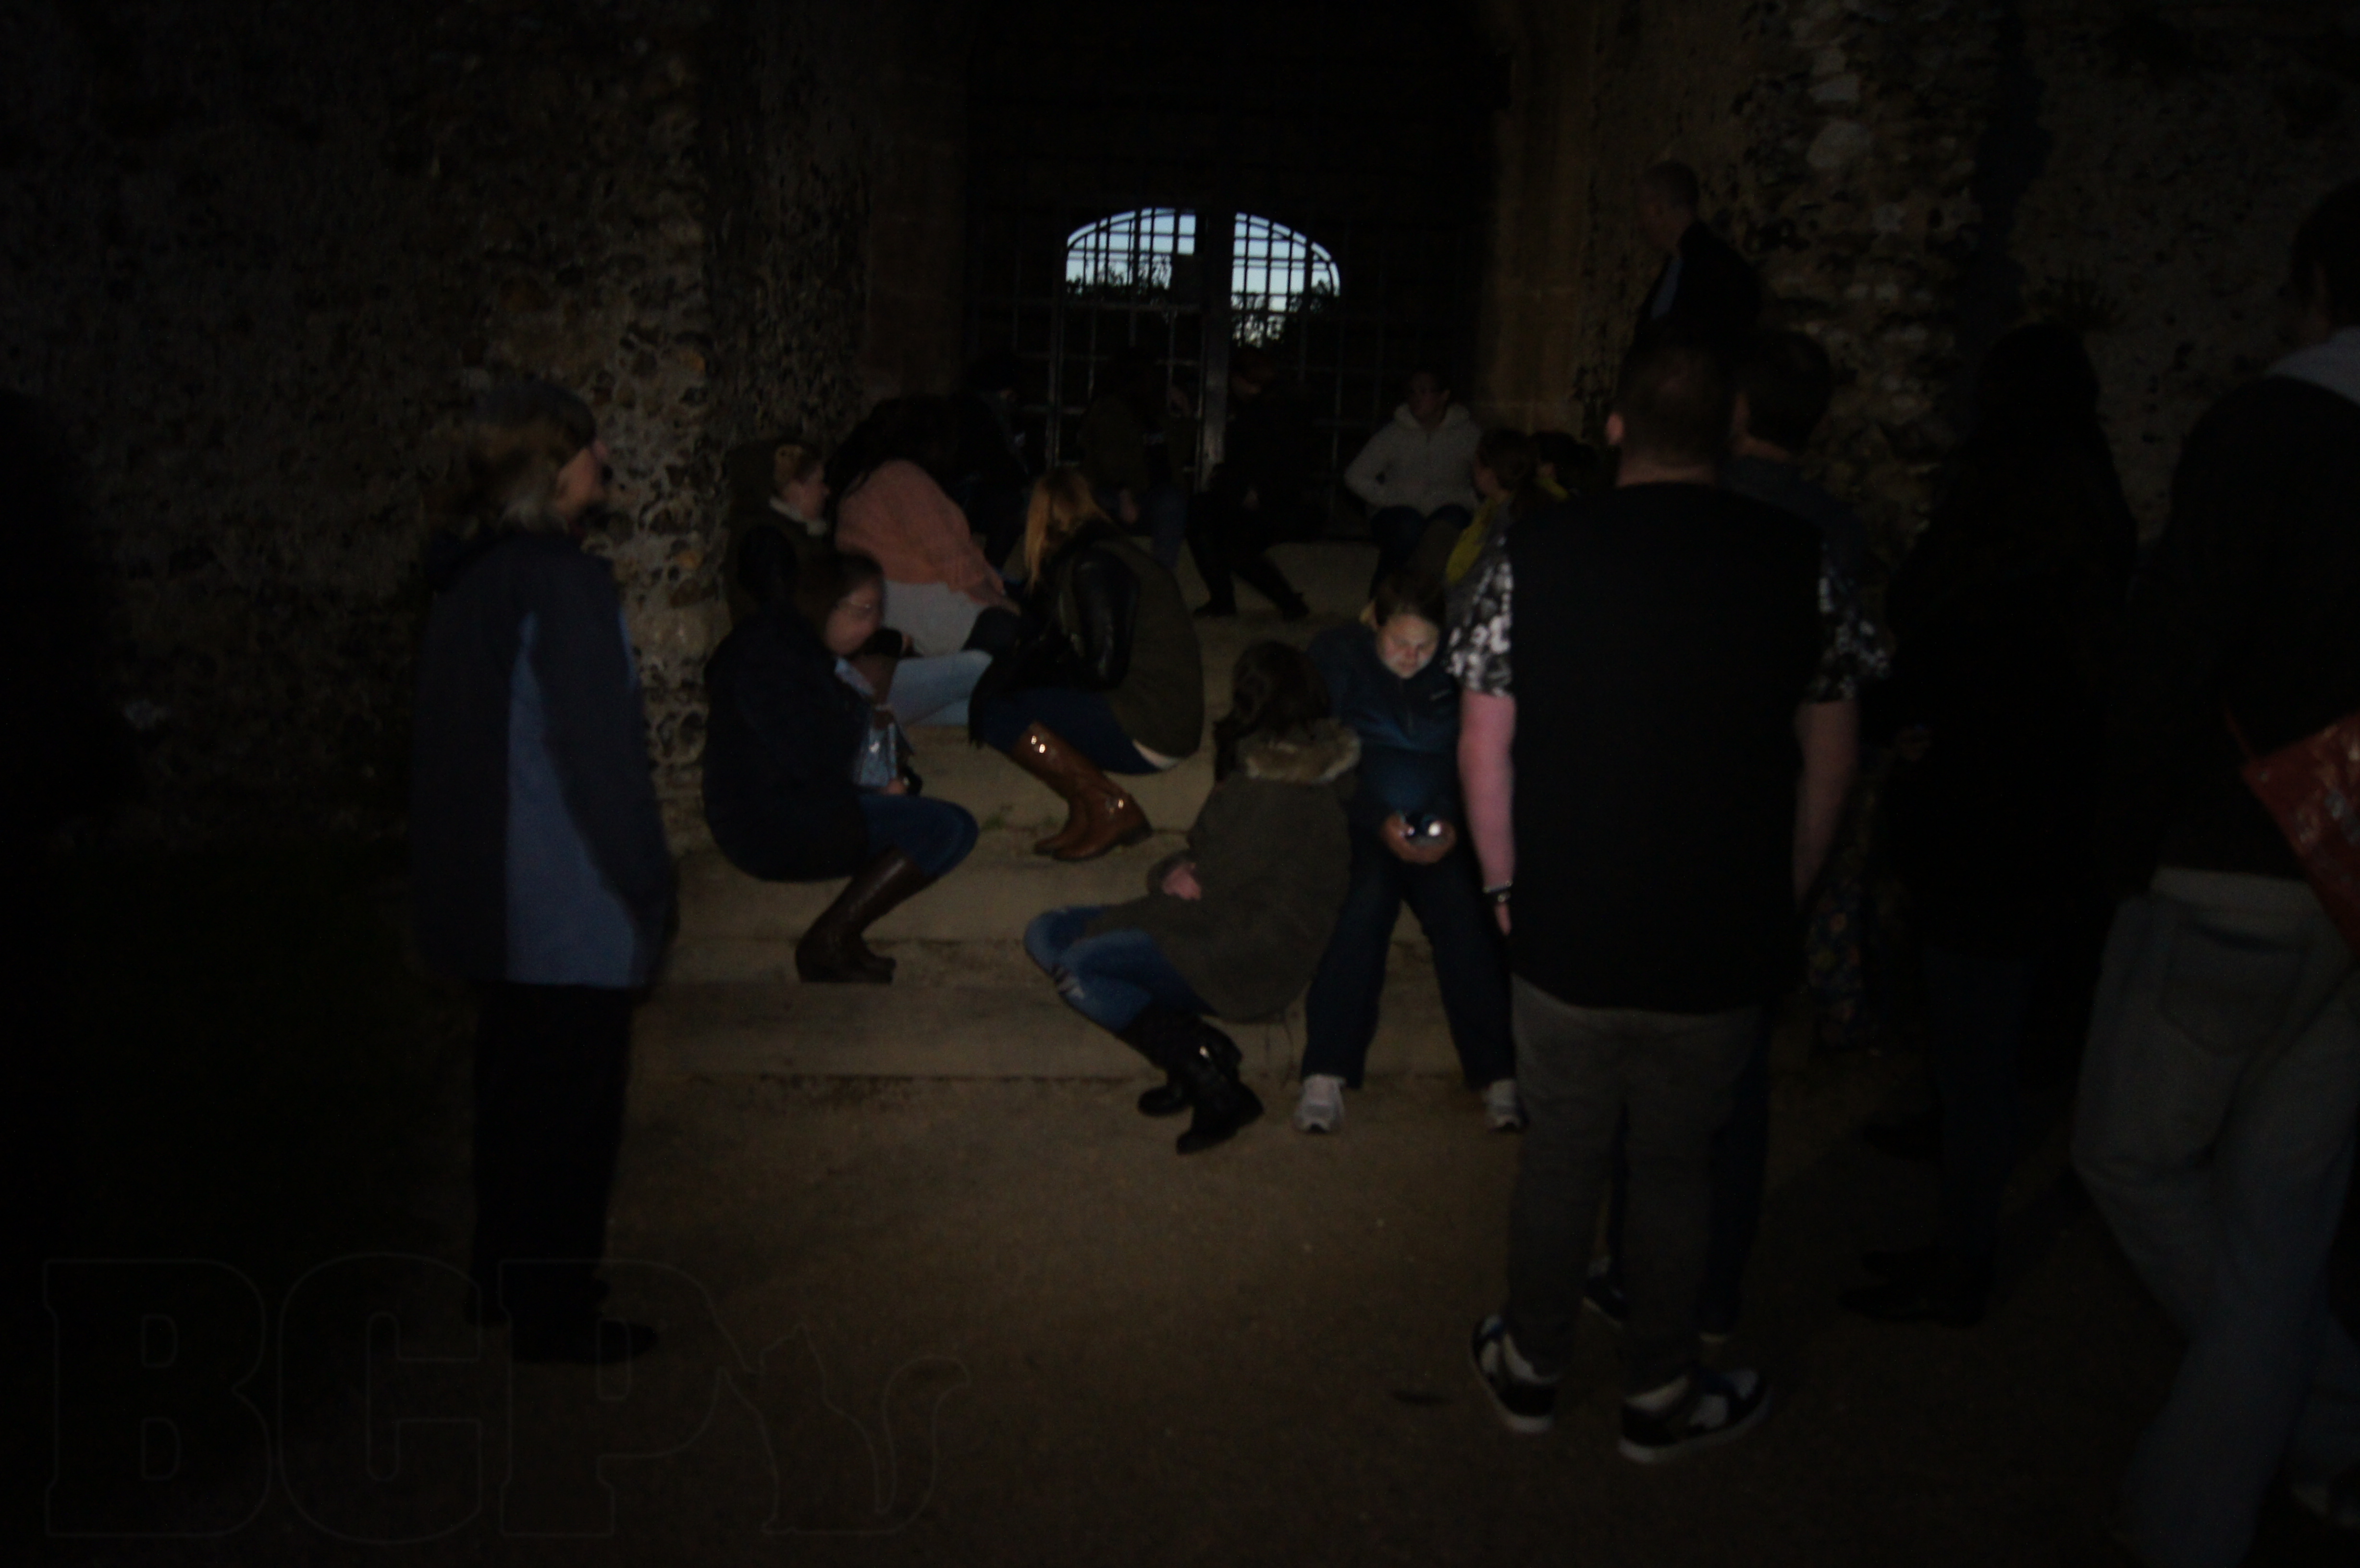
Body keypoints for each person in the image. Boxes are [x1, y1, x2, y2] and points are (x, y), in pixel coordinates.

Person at [1455, 331, 1853, 1460]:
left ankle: (1531, 1367)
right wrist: (1780, 893)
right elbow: (1829, 758)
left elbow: (1484, 744)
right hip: (1715, 924)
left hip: (1569, 911)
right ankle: (1657, 1392)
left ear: (1615, 426)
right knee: (1678, 1167)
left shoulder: (1534, 548)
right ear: (1730, 428)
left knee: (1559, 1153)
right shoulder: (1801, 558)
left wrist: (1502, 882)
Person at [2072, 180, 2360, 1567]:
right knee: (2280, 1218)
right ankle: (2232, 1487)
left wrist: (2115, 853)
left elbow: (2175, 649)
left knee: (2128, 1155)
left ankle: (2320, 1418)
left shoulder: (2269, 428)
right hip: (2353, 889)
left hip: (2234, 863)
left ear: (2314, 285)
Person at [1581, 330, 1886, 1347]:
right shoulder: (1831, 530)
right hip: (1753, 836)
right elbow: (1834, 732)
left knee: (1638, 1080)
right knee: (1729, 1086)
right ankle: (1707, 1295)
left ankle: (1638, 1275)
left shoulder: (1696, 521)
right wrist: (1793, 876)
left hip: (1655, 828)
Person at [1839, 323, 2132, 1328]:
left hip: (1981, 817)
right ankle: (1958, 1159)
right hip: (2042, 813)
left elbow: (1933, 635)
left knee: (1978, 1040)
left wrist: (1900, 718)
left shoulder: (1996, 537)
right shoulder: (2091, 520)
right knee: (1983, 1028)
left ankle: (1962, 1253)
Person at [409, 381, 672, 1365]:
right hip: (565, 898)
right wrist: (646, 884)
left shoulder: (474, 576)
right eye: (588, 445)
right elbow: (597, 758)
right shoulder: (559, 583)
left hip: (498, 895)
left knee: (513, 1099)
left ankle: (504, 1272)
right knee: (568, 1116)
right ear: (549, 467)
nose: (604, 458)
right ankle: (552, 1308)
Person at [1025, 642, 1355, 1154]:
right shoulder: (1268, 763)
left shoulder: (1283, 782)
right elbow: (1205, 862)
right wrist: (1173, 871)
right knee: (1047, 933)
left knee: (1081, 965)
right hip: (1214, 921)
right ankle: (1199, 1053)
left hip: (1247, 950)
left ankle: (1217, 1088)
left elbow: (1209, 879)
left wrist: (1163, 875)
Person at [1297, 572, 1517, 1133]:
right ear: (1375, 622)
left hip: (1440, 825)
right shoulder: (1339, 658)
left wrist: (1449, 821)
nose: (1412, 657)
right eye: (1399, 642)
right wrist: (1377, 818)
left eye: (1425, 645)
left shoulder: (1457, 668)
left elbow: (1476, 753)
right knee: (1362, 906)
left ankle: (1499, 1074)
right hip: (1363, 822)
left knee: (1463, 915)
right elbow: (1320, 754)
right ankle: (1325, 1071)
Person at [702, 540, 978, 983]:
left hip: (806, 805)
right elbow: (810, 754)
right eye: (863, 611)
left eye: (877, 613)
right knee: (942, 828)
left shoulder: (802, 650)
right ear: (825, 602)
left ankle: (838, 939)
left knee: (953, 826)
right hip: (769, 821)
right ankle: (827, 940)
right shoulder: (770, 653)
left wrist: (888, 775)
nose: (871, 626)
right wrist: (871, 769)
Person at [970, 468, 1204, 861]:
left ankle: (1109, 805)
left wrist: (1024, 676)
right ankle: (1085, 810)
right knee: (1009, 695)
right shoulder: (1090, 556)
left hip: (1151, 723)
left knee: (999, 710)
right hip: (1147, 712)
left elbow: (1101, 670)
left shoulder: (1097, 565)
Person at [835, 398, 1020, 658]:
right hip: (924, 614)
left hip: (896, 609)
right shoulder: (903, 479)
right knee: (1017, 627)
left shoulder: (866, 483)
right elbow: (953, 561)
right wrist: (1003, 603)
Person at [1186, 346, 1311, 619]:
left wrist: (1253, 491)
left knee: (1228, 540)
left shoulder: (1267, 412)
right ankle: (1237, 600)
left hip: (1275, 504)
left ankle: (1276, 602)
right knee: (1205, 518)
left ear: (1241, 379)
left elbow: (1276, 465)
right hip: (1265, 500)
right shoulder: (1270, 409)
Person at [1343, 366, 1482, 593]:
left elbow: (1486, 473)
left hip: (1447, 507)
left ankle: (1424, 598)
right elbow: (1356, 475)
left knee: (1449, 525)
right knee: (1408, 527)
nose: (1416, 398)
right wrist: (1387, 498)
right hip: (1399, 511)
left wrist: (1470, 500)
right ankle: (1382, 598)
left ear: (1443, 396)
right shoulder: (1394, 434)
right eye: (1411, 392)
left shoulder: (1467, 434)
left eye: (1424, 391)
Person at [1080, 344, 1191, 569]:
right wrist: (1124, 494)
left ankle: (1161, 577)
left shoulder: (1155, 413)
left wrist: (1186, 412)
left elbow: (1180, 454)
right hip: (1116, 494)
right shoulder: (1110, 409)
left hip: (1152, 496)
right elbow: (1107, 457)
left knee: (1172, 500)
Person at [1633, 161, 1761, 350]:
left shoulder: (1711, 267)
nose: (1640, 226)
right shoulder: (1690, 265)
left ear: (1656, 209)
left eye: (1641, 213)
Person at [1440, 428, 1564, 623]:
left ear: (1490, 473)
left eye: (1477, 465)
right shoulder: (1505, 507)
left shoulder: (1509, 520)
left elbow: (1478, 585)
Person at [722, 435, 830, 626]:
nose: (826, 491)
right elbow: (785, 620)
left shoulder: (792, 534)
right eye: (818, 482)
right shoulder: (767, 542)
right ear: (794, 488)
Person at [947, 348, 1034, 573]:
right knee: (1013, 507)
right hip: (972, 494)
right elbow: (992, 463)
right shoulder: (975, 412)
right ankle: (990, 571)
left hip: (988, 491)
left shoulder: (1006, 414)